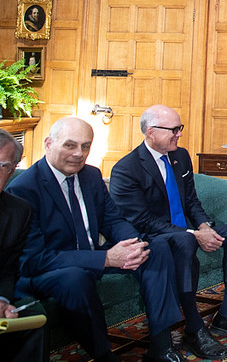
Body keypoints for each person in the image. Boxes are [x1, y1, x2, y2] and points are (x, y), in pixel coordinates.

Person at [7, 117, 184, 362]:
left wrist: (132, 245)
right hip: (50, 270)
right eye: (70, 145)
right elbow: (35, 259)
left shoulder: (91, 176)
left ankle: (162, 344)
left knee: (156, 246)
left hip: (94, 256)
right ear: (48, 143)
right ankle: (103, 356)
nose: (79, 154)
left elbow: (112, 221)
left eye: (85, 146)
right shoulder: (25, 188)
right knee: (74, 277)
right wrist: (106, 258)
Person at [110, 105, 227, 359]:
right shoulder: (127, 169)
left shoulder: (180, 156)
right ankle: (193, 328)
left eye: (179, 128)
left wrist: (204, 226)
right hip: (157, 238)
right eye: (173, 129)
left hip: (189, 230)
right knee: (184, 240)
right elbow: (143, 220)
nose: (179, 134)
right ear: (151, 132)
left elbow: (191, 201)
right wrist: (193, 234)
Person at [0, 129, 46, 362]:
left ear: (12, 170)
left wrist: (2, 301)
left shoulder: (19, 211)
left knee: (32, 324)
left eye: (2, 165)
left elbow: (9, 269)